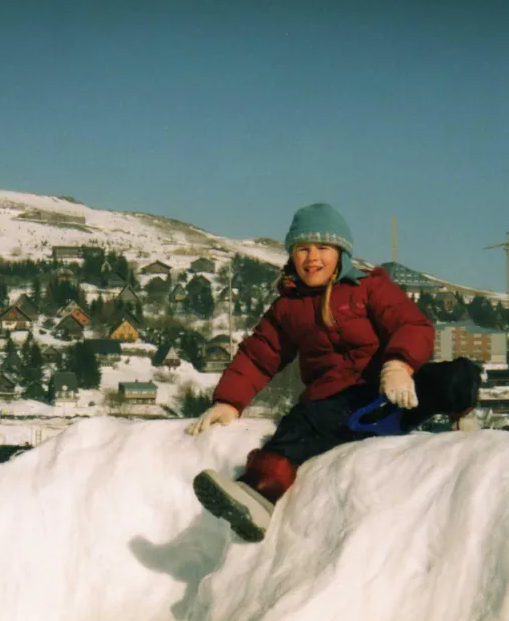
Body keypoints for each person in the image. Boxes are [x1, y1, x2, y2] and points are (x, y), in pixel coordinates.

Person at [187, 202, 477, 543]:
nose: (312, 258)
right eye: (302, 249)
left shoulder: (369, 287)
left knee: (456, 375)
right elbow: (258, 355)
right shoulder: (288, 308)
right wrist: (229, 402)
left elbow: (412, 325)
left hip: (393, 392)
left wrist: (399, 365)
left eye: (323, 248)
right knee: (296, 427)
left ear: (341, 252)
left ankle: (463, 415)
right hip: (336, 407)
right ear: (291, 255)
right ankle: (258, 496)